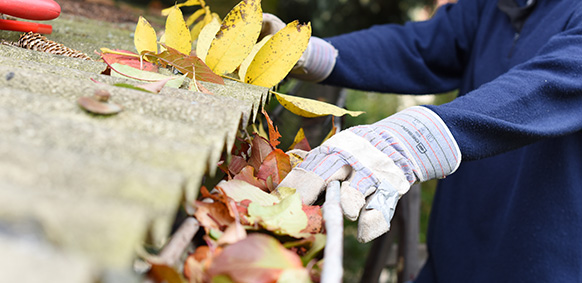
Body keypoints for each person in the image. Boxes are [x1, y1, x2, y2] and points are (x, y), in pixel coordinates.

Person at [266, 0, 582, 281]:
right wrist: (306, 53)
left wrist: (414, 138)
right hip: (449, 263)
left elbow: (559, 79)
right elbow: (420, 46)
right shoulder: (494, 6)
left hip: (544, 267)